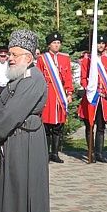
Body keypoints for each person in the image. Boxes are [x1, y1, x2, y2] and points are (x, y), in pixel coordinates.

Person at [0, 29, 49, 212]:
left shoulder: (33, 78)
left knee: (25, 183)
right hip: (15, 137)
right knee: (16, 183)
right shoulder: (18, 76)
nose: (9, 58)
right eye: (9, 53)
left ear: (28, 57)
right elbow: (3, 108)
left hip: (26, 138)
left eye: (14, 54)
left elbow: (12, 113)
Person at [36, 32, 74, 163]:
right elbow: (39, 77)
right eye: (54, 43)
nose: (57, 45)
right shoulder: (42, 59)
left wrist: (69, 93)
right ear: (49, 45)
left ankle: (55, 153)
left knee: (58, 126)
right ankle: (45, 153)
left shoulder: (65, 59)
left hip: (60, 96)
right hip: (48, 95)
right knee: (46, 125)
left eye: (58, 43)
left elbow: (68, 77)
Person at [78, 36, 107, 163]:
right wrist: (88, 89)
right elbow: (83, 78)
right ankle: (91, 152)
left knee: (101, 126)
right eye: (98, 43)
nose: (100, 45)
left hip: (103, 98)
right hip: (91, 97)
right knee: (90, 125)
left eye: (102, 43)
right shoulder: (87, 61)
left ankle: (99, 153)